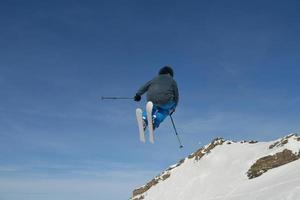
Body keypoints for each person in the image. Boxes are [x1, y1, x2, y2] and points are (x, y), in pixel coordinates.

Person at [134, 66, 179, 130]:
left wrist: (138, 95)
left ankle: (144, 120)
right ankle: (155, 123)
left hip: (152, 99)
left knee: (151, 108)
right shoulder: (172, 81)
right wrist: (173, 108)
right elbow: (176, 95)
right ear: (171, 74)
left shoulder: (154, 79)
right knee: (165, 110)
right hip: (166, 101)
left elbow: (145, 86)